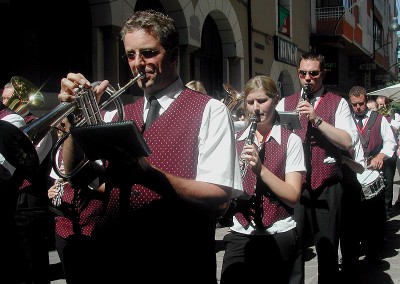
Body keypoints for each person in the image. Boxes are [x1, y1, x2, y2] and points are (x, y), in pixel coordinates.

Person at [56, 10, 243, 284]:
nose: (138, 64)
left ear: (175, 54)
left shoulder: (210, 110)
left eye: (148, 53)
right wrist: (75, 123)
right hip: (119, 260)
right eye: (130, 55)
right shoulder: (117, 113)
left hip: (180, 263)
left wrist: (149, 174)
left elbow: (219, 199)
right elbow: (78, 176)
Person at [276, 52, 358, 284]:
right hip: (296, 183)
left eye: (313, 74)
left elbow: (347, 141)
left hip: (327, 182)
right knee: (294, 244)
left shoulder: (338, 102)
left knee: (328, 246)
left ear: (322, 73)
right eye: (302, 73)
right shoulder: (286, 102)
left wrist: (317, 120)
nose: (307, 79)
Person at [220, 75, 306, 284]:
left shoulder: (291, 141)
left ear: (276, 100)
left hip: (279, 232)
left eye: (262, 101)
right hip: (242, 231)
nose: (255, 108)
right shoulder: (234, 139)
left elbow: (293, 196)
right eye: (250, 102)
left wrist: (260, 170)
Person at [2, 81, 55, 284]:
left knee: (34, 263)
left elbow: (26, 164)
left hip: (29, 200)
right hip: (11, 198)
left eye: (7, 99)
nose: (4, 103)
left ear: (21, 100)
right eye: (3, 98)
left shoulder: (39, 126)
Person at [348, 86, 396, 264]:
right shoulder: (346, 119)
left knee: (374, 214)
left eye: (361, 103)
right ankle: (353, 247)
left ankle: (373, 248)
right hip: (353, 172)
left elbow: (390, 142)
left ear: (366, 100)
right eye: (354, 105)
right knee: (353, 214)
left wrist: (381, 156)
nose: (358, 107)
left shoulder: (379, 119)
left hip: (373, 171)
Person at [376, 95, 398, 219]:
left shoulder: (394, 117)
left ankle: (387, 210)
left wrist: (386, 121)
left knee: (388, 183)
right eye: (379, 105)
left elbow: (395, 130)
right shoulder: (375, 117)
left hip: (390, 155)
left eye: (383, 104)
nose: (381, 107)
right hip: (378, 154)